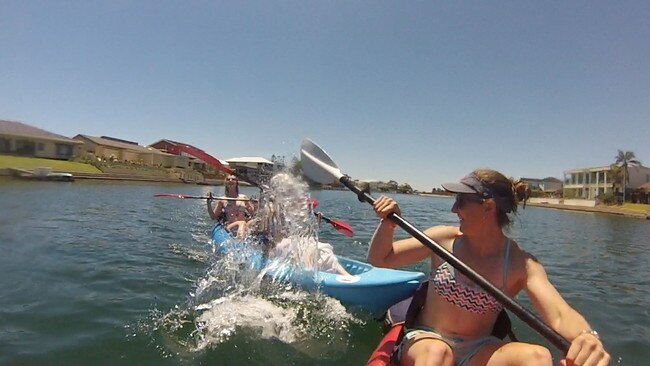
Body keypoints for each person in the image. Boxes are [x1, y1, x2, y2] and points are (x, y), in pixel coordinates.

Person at [368, 169, 610, 366]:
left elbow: (558, 313)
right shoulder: (443, 239)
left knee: (538, 357)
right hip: (427, 340)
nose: (454, 209)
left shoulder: (520, 263)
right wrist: (387, 225)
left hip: (479, 351)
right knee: (437, 354)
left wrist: (586, 337)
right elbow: (382, 258)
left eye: (461, 201)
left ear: (488, 207)